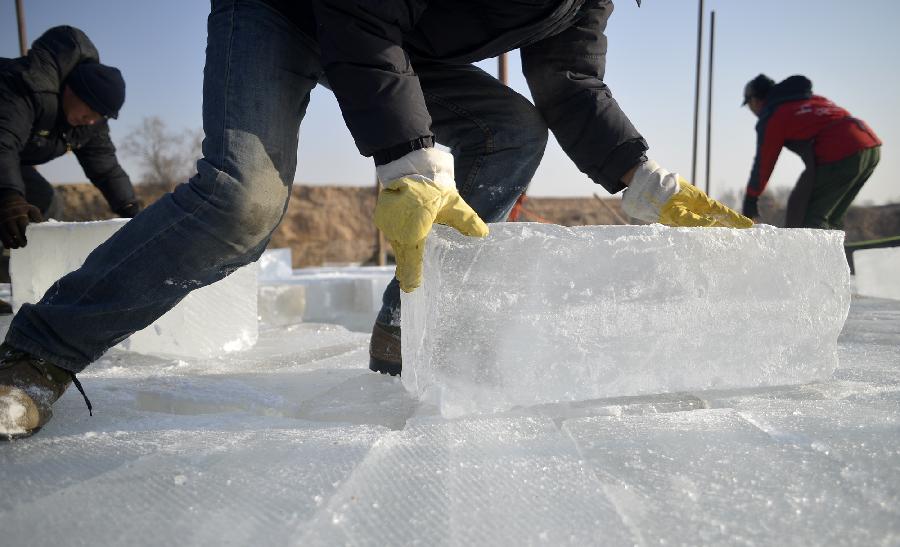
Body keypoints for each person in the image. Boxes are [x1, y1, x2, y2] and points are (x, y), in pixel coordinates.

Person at [0, 0, 751, 440]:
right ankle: (38, 351)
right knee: (243, 200)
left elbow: (570, 81)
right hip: (285, 12)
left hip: (387, 40)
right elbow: (357, 11)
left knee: (511, 131)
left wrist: (645, 182)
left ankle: (405, 320)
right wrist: (408, 157)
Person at [0, 25, 142, 253]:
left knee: (44, 201)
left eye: (99, 118)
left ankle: (27, 270)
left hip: (7, 161)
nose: (91, 121)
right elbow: (3, 143)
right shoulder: (26, 87)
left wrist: (133, 211)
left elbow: (106, 170)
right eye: (89, 112)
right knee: (10, 204)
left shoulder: (88, 125)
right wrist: (8, 196)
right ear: (72, 91)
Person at [740, 74, 881, 228]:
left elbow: (764, 163)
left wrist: (751, 198)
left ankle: (808, 251)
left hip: (842, 151)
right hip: (870, 146)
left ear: (754, 100)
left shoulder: (775, 115)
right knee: (831, 217)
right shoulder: (810, 99)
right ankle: (836, 251)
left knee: (807, 218)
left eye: (749, 105)